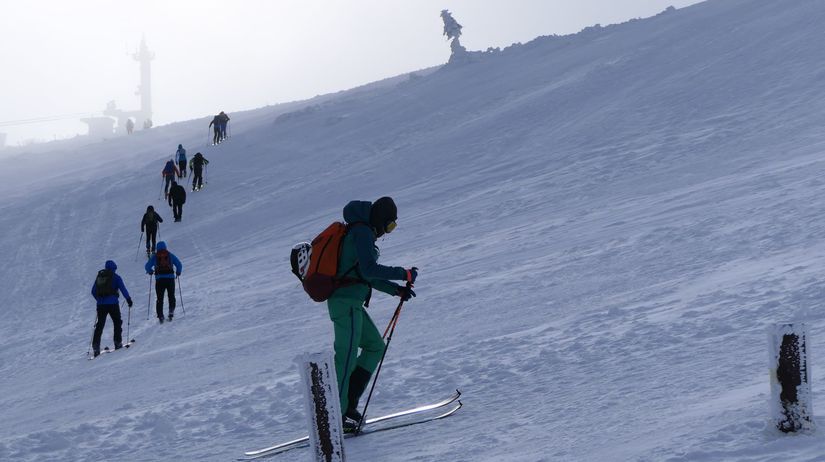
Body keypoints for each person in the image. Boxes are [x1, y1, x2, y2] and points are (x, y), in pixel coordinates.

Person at [327, 196, 417, 431]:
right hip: (345, 303)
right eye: (389, 226)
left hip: (352, 304)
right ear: (380, 219)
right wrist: (403, 273)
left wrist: (395, 289)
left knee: (375, 346)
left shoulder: (361, 231)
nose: (387, 232)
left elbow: (364, 274)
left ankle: (348, 406)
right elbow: (369, 268)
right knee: (345, 358)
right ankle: (337, 414)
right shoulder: (362, 231)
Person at [90, 260, 133, 357]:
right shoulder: (116, 277)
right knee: (117, 322)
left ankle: (96, 346)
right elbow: (123, 289)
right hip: (113, 304)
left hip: (101, 305)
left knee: (100, 325)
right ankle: (117, 342)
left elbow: (93, 291)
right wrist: (128, 299)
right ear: (114, 268)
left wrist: (99, 300)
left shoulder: (100, 277)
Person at [145, 241, 183, 323]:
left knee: (160, 298)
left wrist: (150, 271)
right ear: (165, 247)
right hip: (170, 279)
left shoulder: (155, 256)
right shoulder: (169, 255)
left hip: (159, 280)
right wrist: (178, 272)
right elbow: (179, 264)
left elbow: (147, 266)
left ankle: (161, 316)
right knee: (171, 296)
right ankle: (171, 311)